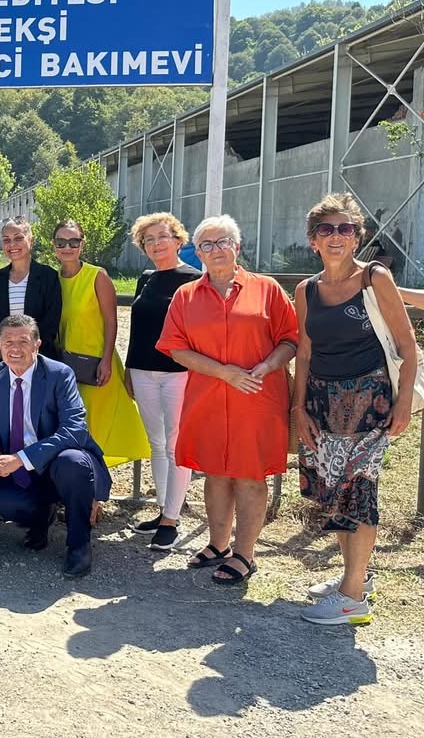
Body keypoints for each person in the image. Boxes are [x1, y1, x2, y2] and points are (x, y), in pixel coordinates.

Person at [293, 194, 416, 625]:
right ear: (313, 240)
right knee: (336, 492)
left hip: (370, 403)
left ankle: (351, 599)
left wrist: (403, 403)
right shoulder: (306, 290)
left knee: (359, 491)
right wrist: (298, 408)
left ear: (357, 238)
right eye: (326, 229)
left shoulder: (374, 279)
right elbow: (304, 352)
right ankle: (355, 577)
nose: (336, 236)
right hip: (322, 404)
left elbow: (407, 345)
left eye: (345, 229)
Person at [157, 215, 298, 586]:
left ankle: (245, 555)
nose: (216, 250)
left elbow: (290, 338)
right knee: (216, 474)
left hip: (257, 398)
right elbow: (175, 347)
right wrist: (224, 372)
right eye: (207, 244)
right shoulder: (186, 296)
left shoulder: (267, 289)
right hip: (208, 399)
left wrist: (267, 365)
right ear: (198, 253)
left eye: (223, 242)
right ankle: (218, 545)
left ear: (237, 246)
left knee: (249, 476)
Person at [0, 314, 110, 578]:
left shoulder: (59, 374)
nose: (15, 348)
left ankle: (79, 544)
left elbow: (75, 429)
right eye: (8, 342)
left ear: (37, 345)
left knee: (72, 463)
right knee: (8, 505)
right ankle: (42, 517)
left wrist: (23, 458)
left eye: (23, 341)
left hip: (60, 461)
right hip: (22, 470)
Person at [123, 212, 201, 551]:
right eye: (148, 240)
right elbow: (137, 329)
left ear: (178, 240)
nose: (156, 244)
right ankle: (162, 510)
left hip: (178, 373)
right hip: (143, 371)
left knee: (175, 444)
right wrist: (128, 368)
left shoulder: (195, 279)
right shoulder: (146, 278)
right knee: (156, 443)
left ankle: (172, 518)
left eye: (162, 237)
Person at [52, 219, 149, 473]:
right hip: (66, 367)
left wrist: (106, 361)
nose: (67, 247)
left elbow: (111, 321)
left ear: (82, 244)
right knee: (72, 428)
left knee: (95, 429)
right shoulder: (52, 279)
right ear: (53, 246)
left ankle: (96, 488)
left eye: (73, 241)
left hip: (95, 366)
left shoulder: (97, 276)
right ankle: (79, 482)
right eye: (61, 242)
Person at [0, 217, 61, 363]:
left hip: (39, 360)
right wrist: (3, 352)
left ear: (31, 240)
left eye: (18, 238)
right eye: (6, 240)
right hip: (2, 361)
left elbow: (51, 323)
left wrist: (27, 353)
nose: (12, 244)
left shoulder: (49, 277)